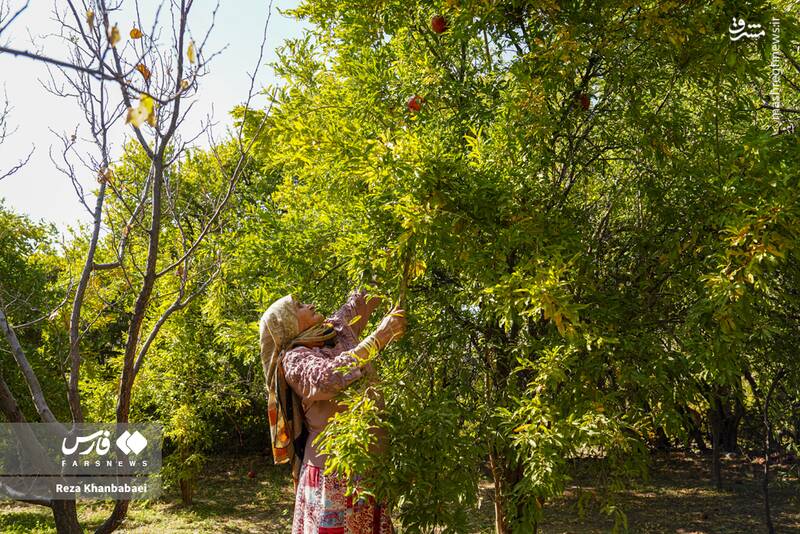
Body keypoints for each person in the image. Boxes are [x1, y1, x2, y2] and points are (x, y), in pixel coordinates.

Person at [259, 289, 406, 534]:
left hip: (368, 467)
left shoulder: (336, 329)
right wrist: (379, 338)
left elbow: (360, 301)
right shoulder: (294, 358)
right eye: (300, 306)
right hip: (333, 475)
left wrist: (382, 273)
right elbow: (327, 378)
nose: (310, 304)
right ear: (288, 324)